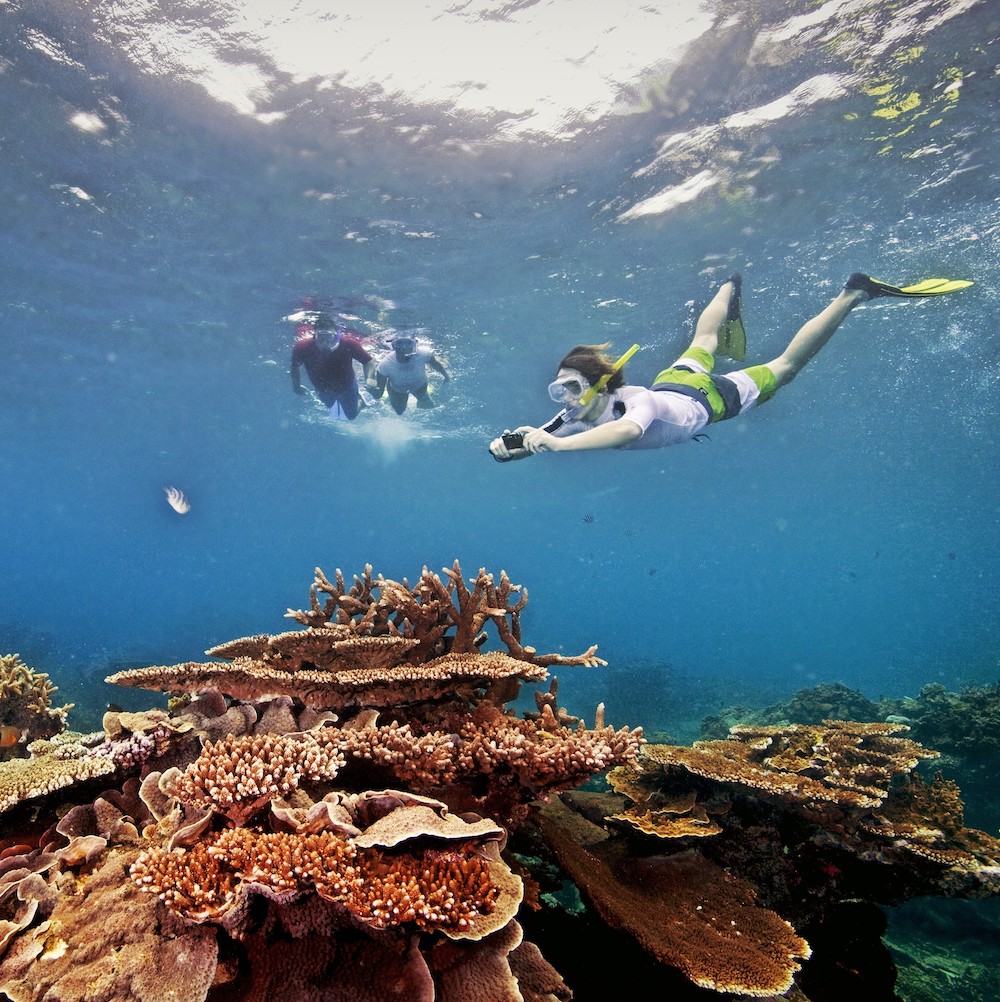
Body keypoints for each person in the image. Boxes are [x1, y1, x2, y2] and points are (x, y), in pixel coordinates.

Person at [489, 271, 972, 461]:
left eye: (569, 389)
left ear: (598, 386)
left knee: (786, 366)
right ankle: (728, 287)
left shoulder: (635, 400)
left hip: (716, 397)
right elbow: (549, 432)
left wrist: (555, 444)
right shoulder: (573, 413)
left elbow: (629, 433)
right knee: (702, 338)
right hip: (676, 382)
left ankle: (855, 293)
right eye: (559, 391)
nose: (565, 400)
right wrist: (517, 446)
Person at [290, 312, 376, 421]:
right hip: (322, 389)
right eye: (320, 336)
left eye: (328, 336)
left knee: (351, 416)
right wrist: (296, 386)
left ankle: (363, 399)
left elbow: (369, 361)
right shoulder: (302, 347)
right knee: (334, 414)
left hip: (347, 387)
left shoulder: (348, 343)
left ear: (335, 336)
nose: (324, 341)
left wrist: (369, 378)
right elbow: (294, 367)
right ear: (314, 336)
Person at [368, 330, 450, 414]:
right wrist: (372, 390)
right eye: (399, 343)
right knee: (399, 412)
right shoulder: (385, 365)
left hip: (419, 386)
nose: (404, 347)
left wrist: (446, 376)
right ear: (394, 346)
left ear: (414, 345)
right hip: (397, 390)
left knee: (428, 408)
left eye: (408, 343)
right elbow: (379, 393)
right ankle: (392, 397)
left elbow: (436, 364)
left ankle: (421, 398)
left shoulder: (424, 354)